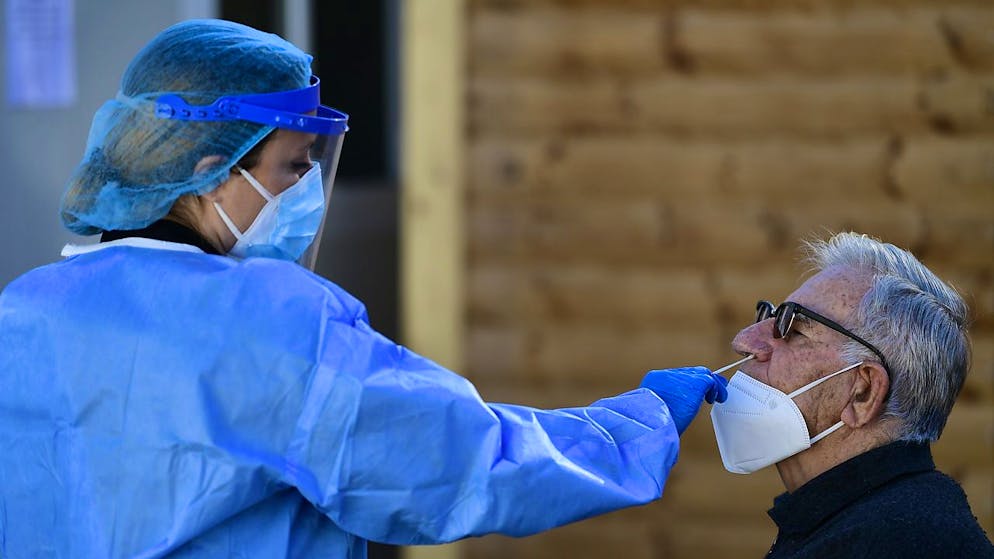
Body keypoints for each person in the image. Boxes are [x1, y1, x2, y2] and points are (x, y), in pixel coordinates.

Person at [0, 19, 728, 558]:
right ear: (212, 168)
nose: (305, 191)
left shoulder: (24, 311)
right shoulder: (274, 322)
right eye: (293, 166)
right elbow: (461, 462)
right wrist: (636, 426)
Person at [710, 232, 993, 558]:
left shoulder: (898, 543)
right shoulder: (866, 520)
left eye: (794, 328)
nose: (744, 340)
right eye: (770, 316)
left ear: (864, 392)